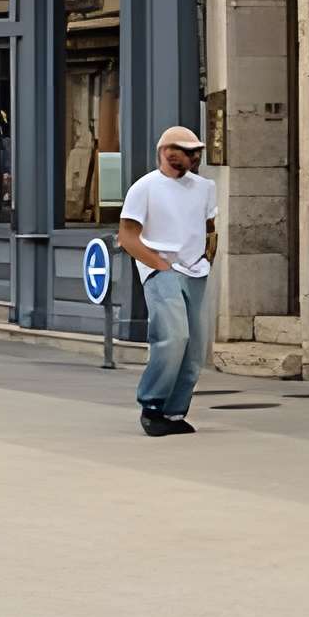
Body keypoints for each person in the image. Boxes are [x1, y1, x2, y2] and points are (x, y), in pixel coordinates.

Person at [117, 127, 217, 436]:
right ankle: (153, 406)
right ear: (166, 152)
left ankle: (175, 412)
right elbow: (127, 237)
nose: (194, 156)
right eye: (186, 151)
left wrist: (207, 259)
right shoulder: (144, 187)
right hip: (162, 269)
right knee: (173, 337)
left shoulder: (204, 187)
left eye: (195, 150)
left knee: (196, 347)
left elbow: (210, 226)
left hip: (195, 270)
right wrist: (159, 265)